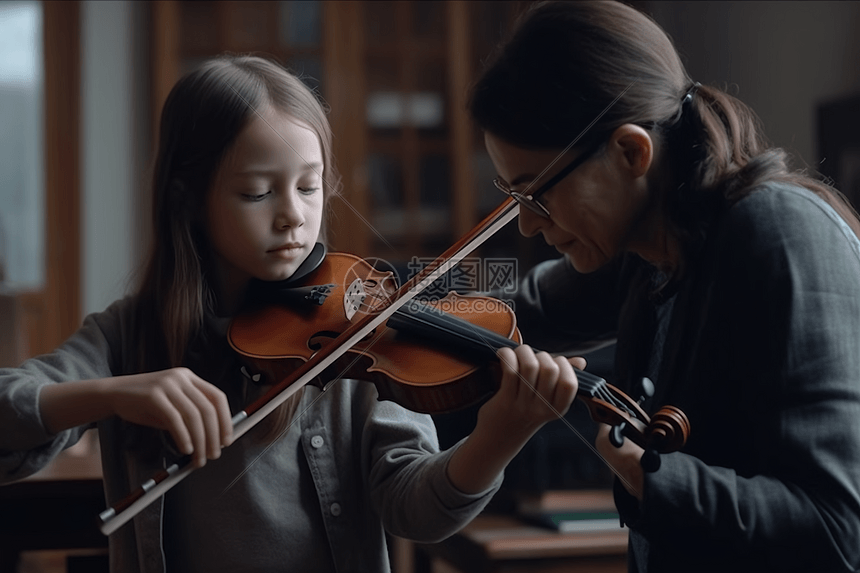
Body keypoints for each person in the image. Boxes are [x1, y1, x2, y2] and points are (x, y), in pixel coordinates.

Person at [0, 55, 581, 573]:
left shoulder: (359, 330)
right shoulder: (130, 334)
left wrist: (501, 434)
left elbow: (416, 512)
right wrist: (111, 394)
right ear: (186, 198)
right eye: (258, 193)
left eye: (309, 188)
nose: (292, 218)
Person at [470, 1, 860, 572]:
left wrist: (651, 477)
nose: (526, 223)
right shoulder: (643, 252)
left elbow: (838, 531)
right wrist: (384, 282)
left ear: (630, 151)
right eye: (512, 198)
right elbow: (511, 298)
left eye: (535, 194)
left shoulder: (779, 234)